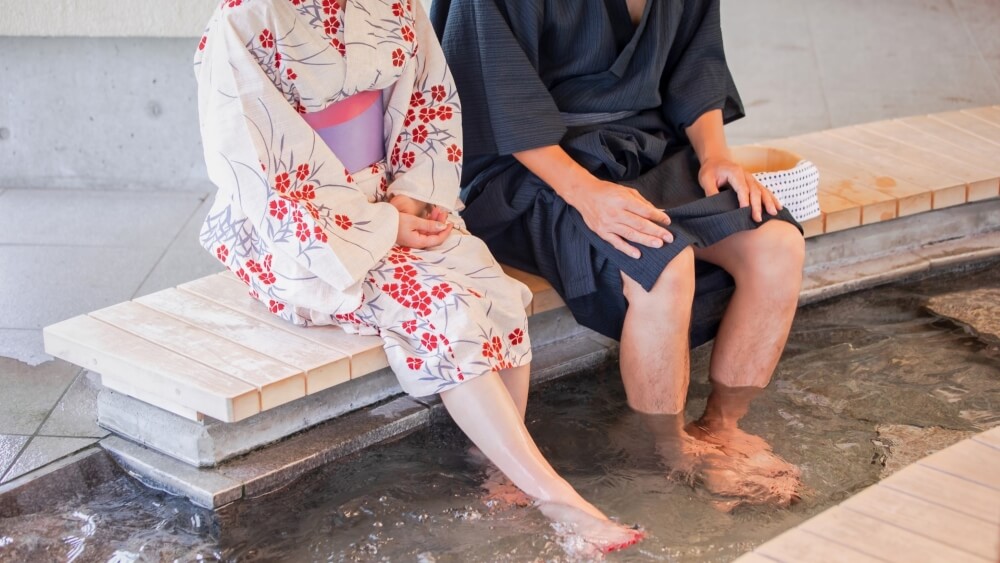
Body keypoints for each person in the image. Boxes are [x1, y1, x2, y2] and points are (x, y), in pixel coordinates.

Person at [192, 0, 643, 552]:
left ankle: (499, 468)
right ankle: (556, 497)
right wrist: (381, 224)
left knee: (492, 288)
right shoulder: (245, 20)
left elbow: (430, 105)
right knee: (442, 310)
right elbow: (261, 163)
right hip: (303, 230)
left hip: (394, 193)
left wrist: (409, 196)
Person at [431, 0, 805, 502]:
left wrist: (717, 157)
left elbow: (698, 66)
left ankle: (722, 427)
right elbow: (498, 96)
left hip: (645, 147)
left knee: (778, 245)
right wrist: (585, 193)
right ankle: (667, 452)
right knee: (664, 264)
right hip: (533, 170)